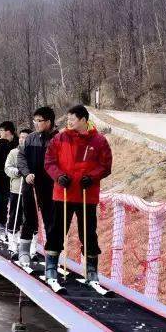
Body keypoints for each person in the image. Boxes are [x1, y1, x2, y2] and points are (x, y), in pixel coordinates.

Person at [44, 105, 113, 286]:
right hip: (63, 193)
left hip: (86, 194)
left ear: (83, 120)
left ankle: (91, 268)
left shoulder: (99, 141)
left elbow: (105, 166)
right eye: (68, 119)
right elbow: (49, 162)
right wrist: (59, 176)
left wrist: (92, 177)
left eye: (72, 119)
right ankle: (51, 264)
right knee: (57, 230)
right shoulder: (59, 139)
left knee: (89, 232)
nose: (69, 122)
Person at [17, 106, 59, 267]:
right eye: (34, 120)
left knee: (51, 221)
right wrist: (26, 173)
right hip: (31, 184)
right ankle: (24, 251)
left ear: (49, 122)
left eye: (39, 121)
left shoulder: (58, 139)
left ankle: (51, 257)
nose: (36, 124)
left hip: (50, 185)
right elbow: (21, 157)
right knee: (29, 218)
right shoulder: (30, 138)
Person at [0, 121, 18, 245]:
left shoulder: (16, 144)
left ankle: (5, 231)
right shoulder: (0, 144)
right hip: (1, 180)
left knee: (10, 208)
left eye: (1, 130)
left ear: (7, 131)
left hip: (14, 180)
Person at [4, 128, 31, 252]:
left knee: (29, 217)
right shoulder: (13, 152)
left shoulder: (34, 152)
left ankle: (28, 246)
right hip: (16, 188)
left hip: (30, 189)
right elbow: (7, 167)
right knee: (15, 215)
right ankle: (12, 243)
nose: (22, 139)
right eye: (20, 137)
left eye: (25, 137)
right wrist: (17, 172)